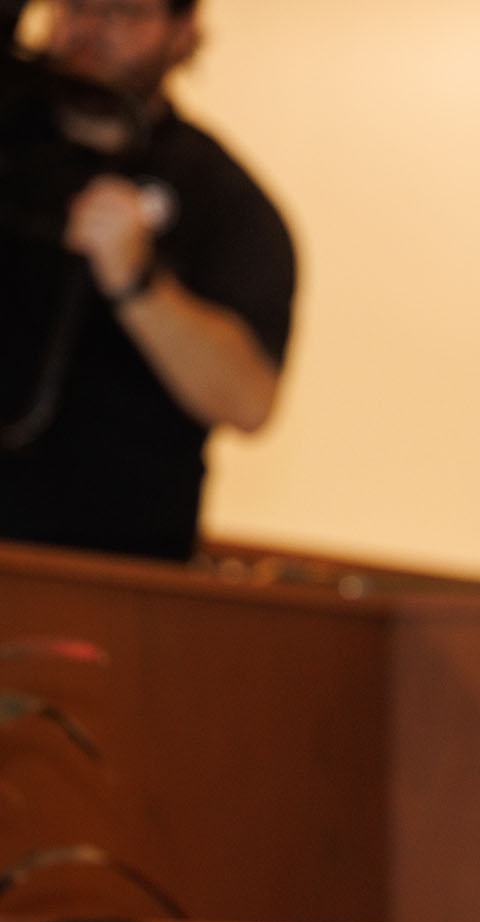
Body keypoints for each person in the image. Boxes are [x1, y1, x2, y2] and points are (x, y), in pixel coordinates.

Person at [0, 0, 295, 561]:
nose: (91, 28)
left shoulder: (222, 198)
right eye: (74, 6)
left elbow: (248, 401)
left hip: (111, 561)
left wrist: (137, 282)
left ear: (184, 34)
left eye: (125, 11)